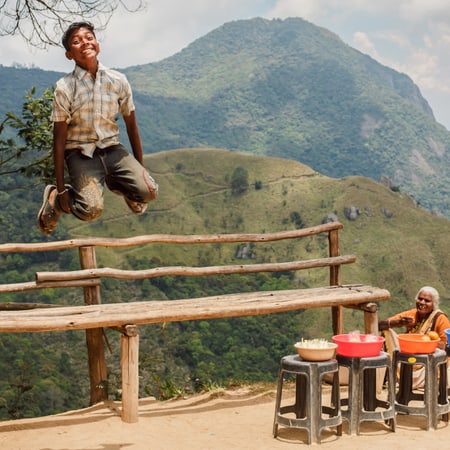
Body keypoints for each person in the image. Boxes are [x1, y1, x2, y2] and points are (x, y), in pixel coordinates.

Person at [37, 21, 158, 235]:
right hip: (80, 154)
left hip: (112, 149)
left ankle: (119, 184)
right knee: (90, 210)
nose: (84, 42)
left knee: (149, 191)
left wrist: (141, 170)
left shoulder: (118, 80)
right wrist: (63, 188)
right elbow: (59, 141)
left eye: (89, 38)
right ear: (69, 55)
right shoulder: (65, 88)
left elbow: (132, 126)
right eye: (76, 41)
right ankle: (54, 199)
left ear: (98, 45)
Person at [378, 286, 450, 389]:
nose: (422, 303)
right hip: (408, 358)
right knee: (387, 331)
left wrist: (426, 342)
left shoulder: (441, 319)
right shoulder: (413, 314)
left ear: (433, 304)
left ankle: (403, 379)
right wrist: (398, 322)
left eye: (427, 301)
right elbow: (379, 325)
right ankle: (391, 374)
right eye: (420, 299)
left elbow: (446, 347)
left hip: (427, 365)